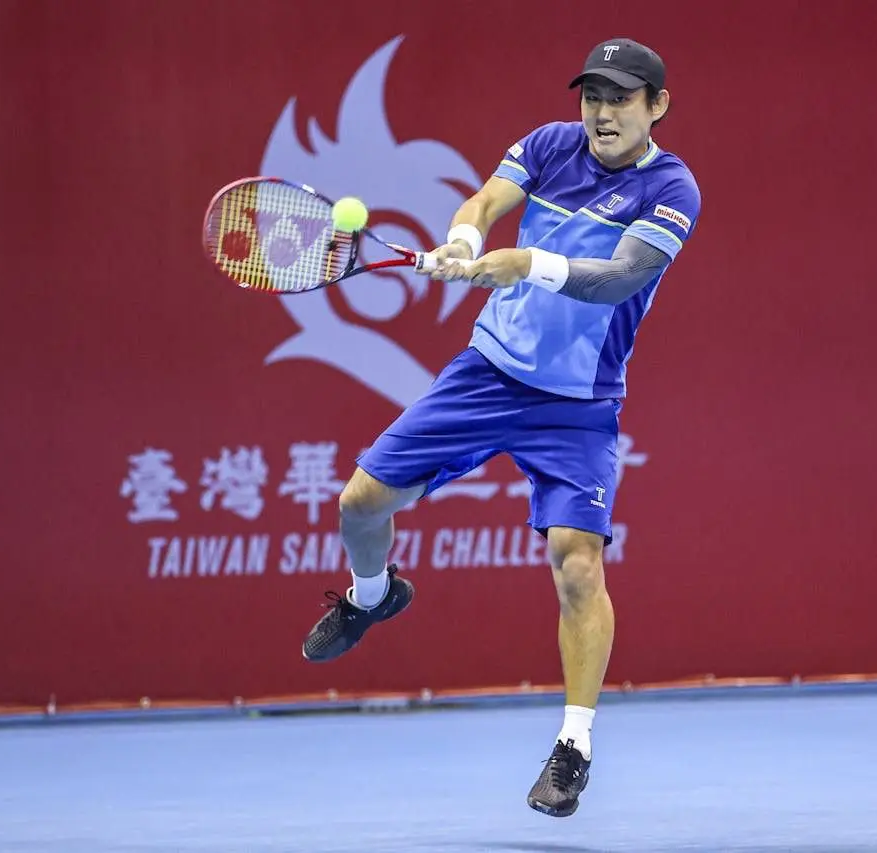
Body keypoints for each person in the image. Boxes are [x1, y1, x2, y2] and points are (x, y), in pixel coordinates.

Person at [300, 37, 701, 818]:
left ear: (657, 106)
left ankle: (573, 746)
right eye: (592, 96)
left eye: (621, 99)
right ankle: (372, 595)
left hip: (577, 404)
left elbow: (620, 277)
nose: (602, 112)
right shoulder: (551, 145)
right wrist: (465, 240)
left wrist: (527, 264)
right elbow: (484, 202)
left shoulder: (671, 187)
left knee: (577, 562)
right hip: (487, 373)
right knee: (359, 504)